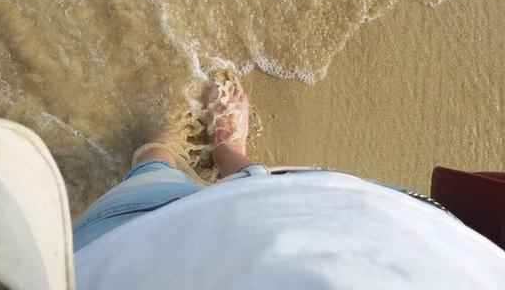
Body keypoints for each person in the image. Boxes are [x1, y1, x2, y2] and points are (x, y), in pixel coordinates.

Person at [73, 80, 505, 289]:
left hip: (133, 248)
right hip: (343, 208)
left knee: (152, 171)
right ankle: (228, 155)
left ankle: (167, 153)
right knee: (263, 184)